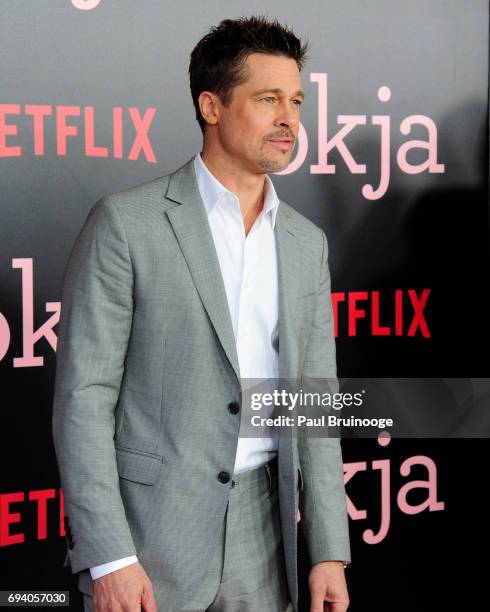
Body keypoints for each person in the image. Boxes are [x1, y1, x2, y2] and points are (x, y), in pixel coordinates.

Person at [52, 15, 351, 612]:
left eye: (295, 101)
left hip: (269, 540)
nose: (289, 118)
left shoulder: (304, 241)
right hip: (149, 540)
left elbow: (314, 402)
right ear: (211, 106)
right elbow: (83, 399)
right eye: (268, 99)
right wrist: (110, 555)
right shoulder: (126, 223)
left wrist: (327, 552)